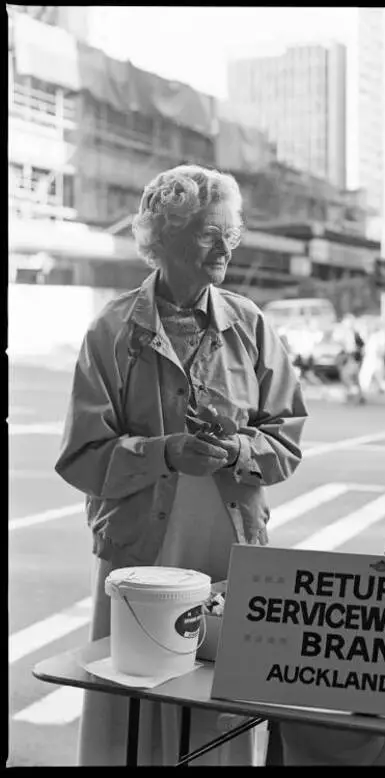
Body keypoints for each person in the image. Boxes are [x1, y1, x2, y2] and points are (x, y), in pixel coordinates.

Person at [55, 164, 308, 766]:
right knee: (131, 708)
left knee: (218, 711)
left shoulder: (249, 324)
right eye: (206, 234)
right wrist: (162, 452)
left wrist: (242, 450)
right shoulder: (111, 331)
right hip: (141, 549)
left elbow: (288, 439)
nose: (225, 248)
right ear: (162, 238)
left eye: (230, 234)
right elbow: (81, 456)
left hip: (229, 547)